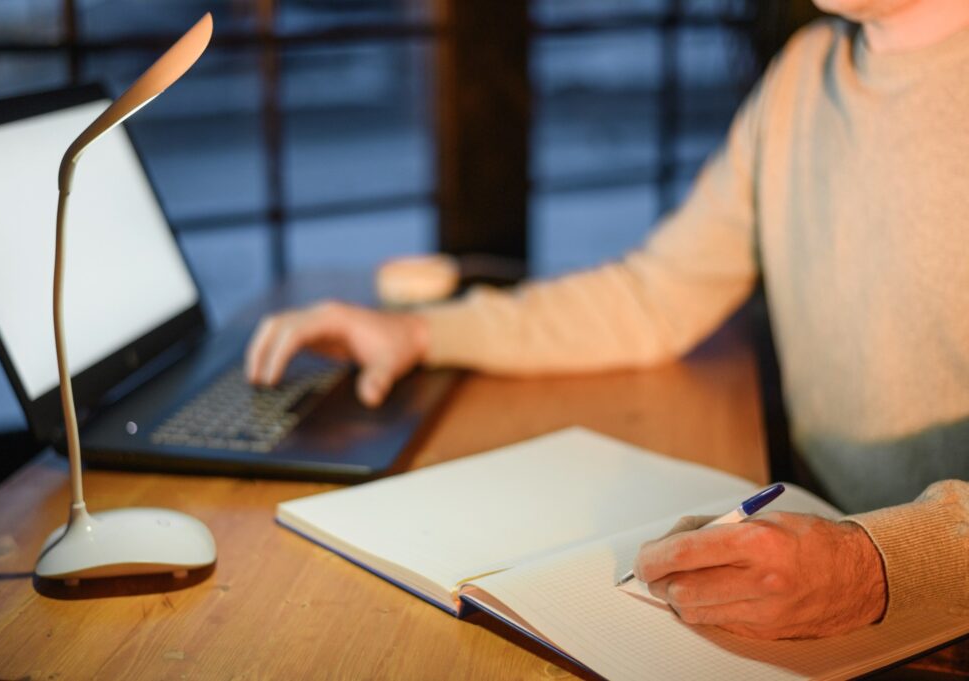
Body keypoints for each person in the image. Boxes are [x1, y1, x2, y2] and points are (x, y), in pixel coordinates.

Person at [245, 0, 969, 640]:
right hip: (813, 552)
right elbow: (656, 295)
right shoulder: (806, 76)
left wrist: (876, 566)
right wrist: (424, 331)